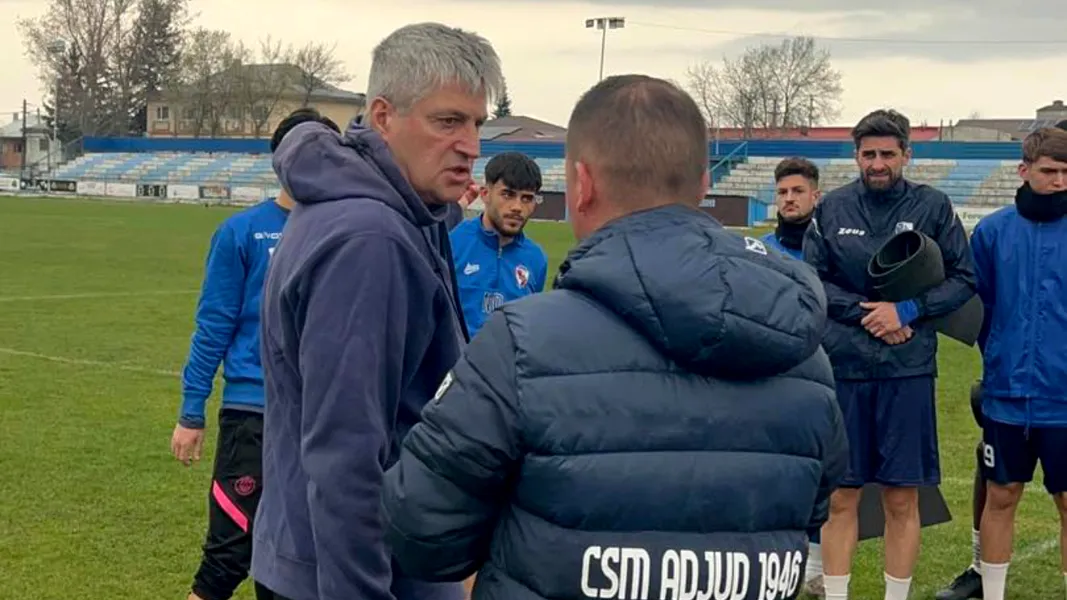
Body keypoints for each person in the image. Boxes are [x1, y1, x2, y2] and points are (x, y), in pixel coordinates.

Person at [379, 74, 848, 600]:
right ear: (702, 186)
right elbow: (812, 502)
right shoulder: (805, 354)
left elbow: (420, 527)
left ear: (581, 185)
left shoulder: (521, 344)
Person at [250, 22, 504, 600]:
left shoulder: (401, 211)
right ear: (384, 117)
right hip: (356, 572)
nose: (470, 145)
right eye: (448, 121)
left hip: (347, 557)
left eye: (476, 124)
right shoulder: (370, 238)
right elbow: (345, 454)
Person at [804, 108, 978, 600]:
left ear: (906, 154)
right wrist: (870, 314)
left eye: (887, 154)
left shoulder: (933, 206)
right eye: (868, 154)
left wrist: (908, 310)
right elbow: (812, 280)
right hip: (846, 369)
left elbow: (964, 278)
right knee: (842, 496)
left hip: (908, 371)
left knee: (902, 496)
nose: (877, 163)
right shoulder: (832, 208)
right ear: (856, 156)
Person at [171, 108, 338, 600]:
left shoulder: (345, 232)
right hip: (254, 417)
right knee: (227, 557)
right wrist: (191, 411)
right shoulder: (241, 232)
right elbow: (214, 325)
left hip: (321, 419)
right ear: (280, 160)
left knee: (297, 562)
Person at [937, 117, 1067, 600]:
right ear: (1024, 169)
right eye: (1050, 171)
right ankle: (991, 593)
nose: (1060, 181)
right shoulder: (992, 233)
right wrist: (999, 357)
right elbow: (979, 308)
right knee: (1001, 495)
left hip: (1064, 399)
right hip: (1006, 396)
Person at [450, 151, 549, 338]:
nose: (517, 207)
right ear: (485, 194)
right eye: (507, 194)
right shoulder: (453, 243)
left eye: (527, 198)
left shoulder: (536, 259)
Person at [761, 156, 821, 260]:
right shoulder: (761, 249)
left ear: (815, 197)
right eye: (782, 192)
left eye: (798, 191)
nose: (789, 199)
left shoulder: (833, 249)